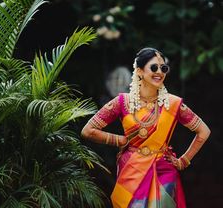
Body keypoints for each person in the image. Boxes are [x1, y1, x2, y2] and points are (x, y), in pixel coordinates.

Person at [81, 47, 210, 208]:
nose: (160, 72)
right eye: (154, 67)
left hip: (164, 171)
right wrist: (118, 140)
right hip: (132, 171)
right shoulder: (122, 102)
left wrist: (183, 161)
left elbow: (204, 131)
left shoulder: (173, 104)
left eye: (163, 68)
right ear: (140, 71)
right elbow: (88, 130)